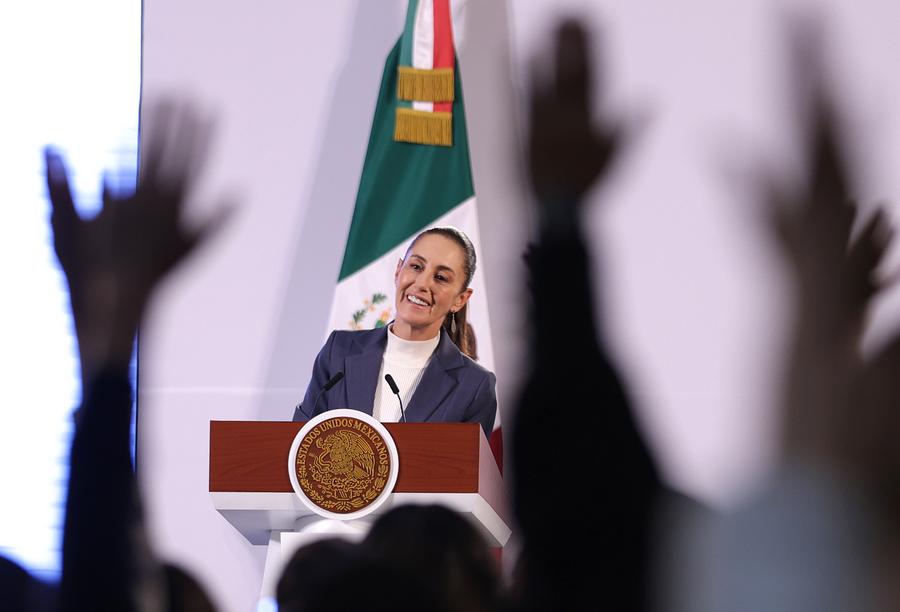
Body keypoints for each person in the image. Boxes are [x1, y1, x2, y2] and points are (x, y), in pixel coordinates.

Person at [294, 226, 497, 438]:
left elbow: (466, 470)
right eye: (416, 266)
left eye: (440, 278)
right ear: (398, 271)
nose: (422, 284)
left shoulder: (474, 386)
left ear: (460, 299)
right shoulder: (339, 351)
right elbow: (301, 444)